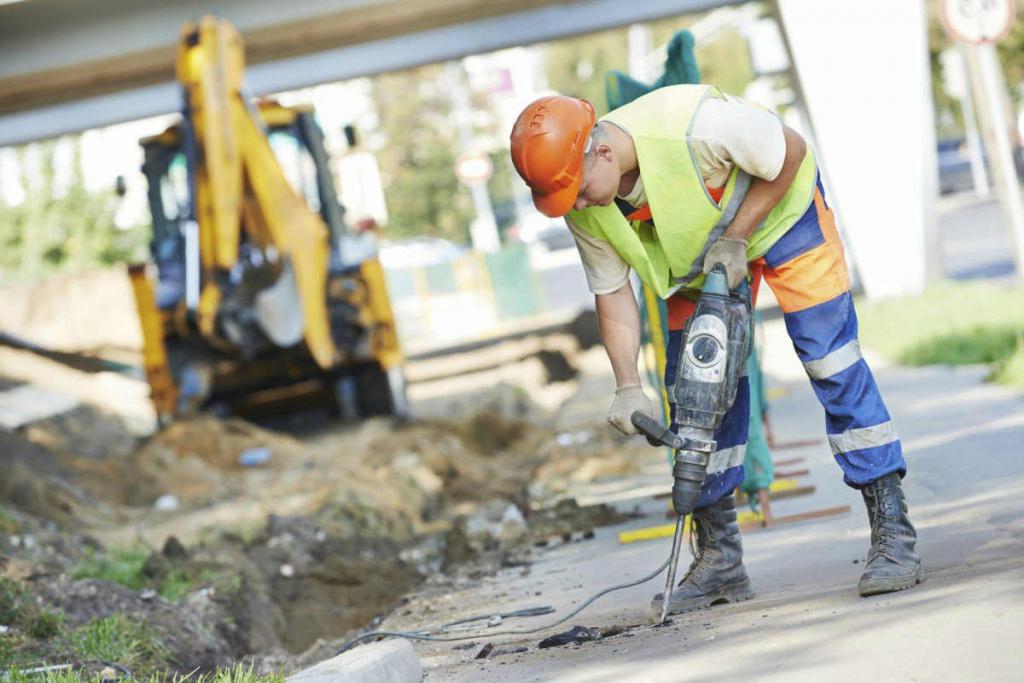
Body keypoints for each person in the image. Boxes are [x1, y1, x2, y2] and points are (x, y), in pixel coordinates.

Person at [509, 85, 922, 614]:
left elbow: (789, 151)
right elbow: (612, 294)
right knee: (696, 396)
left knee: (830, 359)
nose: (580, 204)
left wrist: (739, 234)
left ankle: (893, 531)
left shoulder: (695, 125)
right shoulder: (581, 199)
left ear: (603, 151)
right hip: (698, 262)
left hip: (781, 218)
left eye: (580, 190)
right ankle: (720, 561)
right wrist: (628, 387)